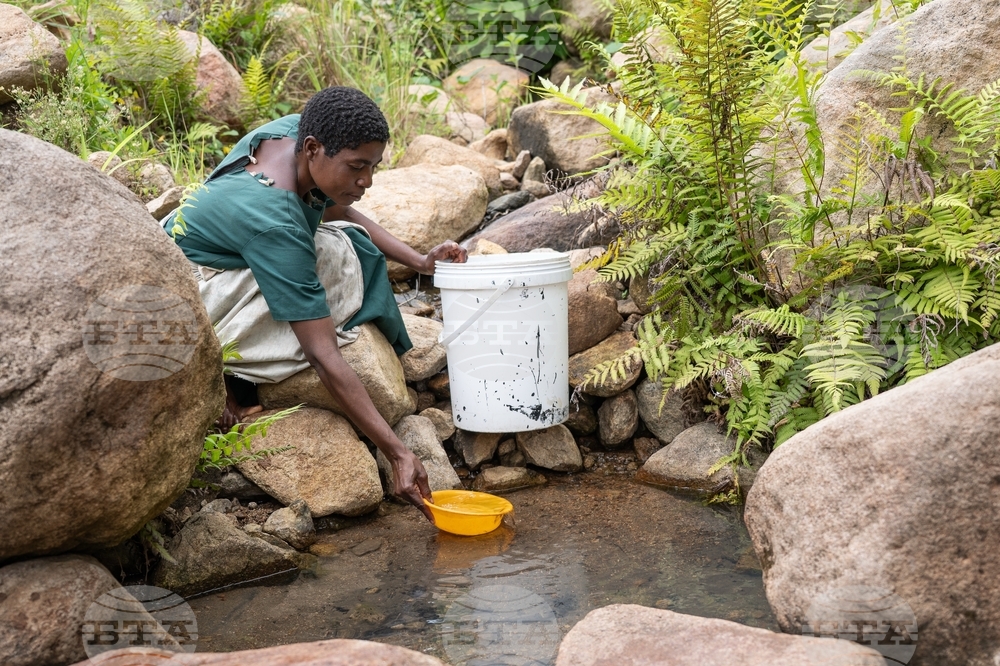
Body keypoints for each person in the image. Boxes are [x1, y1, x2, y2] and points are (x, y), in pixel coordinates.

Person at [164, 87, 467, 520]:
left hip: (197, 249)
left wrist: (421, 261)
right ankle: (222, 373)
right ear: (313, 150)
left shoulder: (296, 133)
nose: (367, 181)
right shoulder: (274, 219)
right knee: (338, 268)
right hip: (188, 292)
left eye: (373, 167)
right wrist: (398, 453)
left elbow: (335, 210)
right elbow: (323, 356)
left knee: (341, 246)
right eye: (357, 167)